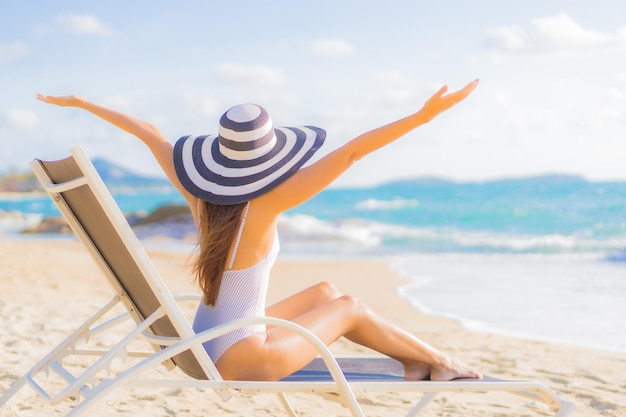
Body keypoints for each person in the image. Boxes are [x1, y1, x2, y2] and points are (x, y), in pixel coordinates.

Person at [36, 79, 482, 382]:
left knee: (325, 291)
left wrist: (82, 104)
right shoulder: (268, 202)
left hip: (207, 343)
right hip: (245, 356)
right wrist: (422, 117)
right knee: (349, 307)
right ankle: (441, 361)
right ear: (271, 158)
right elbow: (350, 154)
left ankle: (413, 362)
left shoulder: (198, 196)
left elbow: (149, 132)